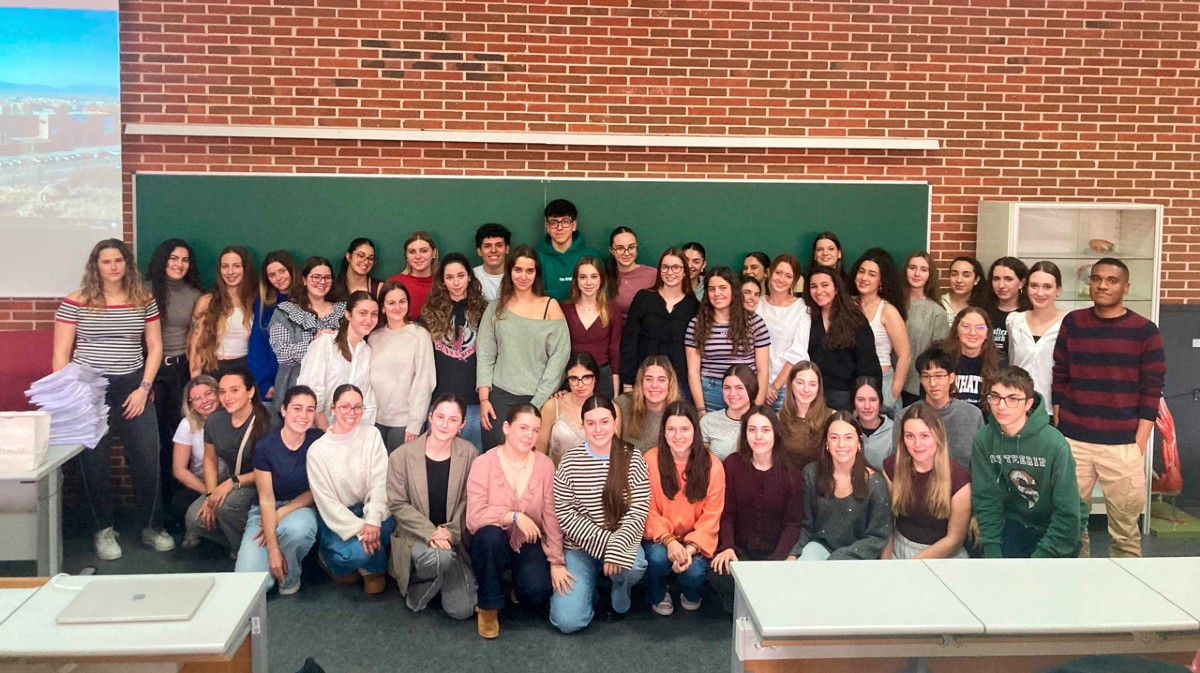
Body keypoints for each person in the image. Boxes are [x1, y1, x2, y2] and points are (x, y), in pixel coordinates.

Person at [54, 238, 173, 560]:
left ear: (127, 264)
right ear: (96, 265)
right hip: (89, 390)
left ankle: (152, 527)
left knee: (148, 458)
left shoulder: (143, 299)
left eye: (118, 260)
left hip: (133, 387)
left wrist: (144, 388)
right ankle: (103, 530)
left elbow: (155, 347)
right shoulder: (75, 301)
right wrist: (73, 396)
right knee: (93, 463)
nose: (113, 266)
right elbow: (61, 354)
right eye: (106, 261)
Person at [1053, 258, 1165, 558]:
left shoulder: (1144, 330)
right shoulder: (1073, 323)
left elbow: (1152, 389)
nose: (1102, 285)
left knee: (1126, 533)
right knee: (1072, 527)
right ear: (1089, 283)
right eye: (1097, 278)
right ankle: (1076, 592)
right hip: (1074, 441)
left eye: (1112, 280)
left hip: (1123, 444)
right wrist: (1060, 426)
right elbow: (1060, 374)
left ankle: (1124, 597)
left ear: (1126, 286)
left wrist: (1139, 441)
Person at [466, 404, 569, 639]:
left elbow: (551, 517)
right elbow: (473, 518)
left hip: (528, 540)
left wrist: (556, 561)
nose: (529, 435)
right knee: (489, 536)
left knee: (536, 595)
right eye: (523, 428)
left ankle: (515, 582)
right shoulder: (484, 463)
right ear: (506, 427)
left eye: (535, 430)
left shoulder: (544, 465)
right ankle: (488, 607)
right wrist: (513, 516)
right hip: (491, 542)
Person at [550, 395, 650, 632]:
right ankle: (591, 587)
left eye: (605, 422)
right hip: (580, 548)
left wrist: (617, 549)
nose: (598, 429)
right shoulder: (570, 462)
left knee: (635, 565)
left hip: (623, 541)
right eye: (591, 423)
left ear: (615, 423)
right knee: (568, 622)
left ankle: (618, 586)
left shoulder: (632, 457)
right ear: (582, 425)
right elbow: (565, 513)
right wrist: (609, 546)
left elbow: (639, 510)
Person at [974, 366, 1086, 558]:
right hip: (1015, 522)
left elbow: (1068, 513)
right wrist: (992, 550)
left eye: (1012, 399)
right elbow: (987, 499)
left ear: (1028, 404)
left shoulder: (1054, 444)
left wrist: (1039, 559)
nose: (1001, 406)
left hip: (1056, 528)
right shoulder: (984, 439)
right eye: (996, 397)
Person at [386, 394, 478, 616]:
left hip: (451, 540)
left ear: (462, 424)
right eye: (440, 417)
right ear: (430, 417)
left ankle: (434, 578)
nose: (445, 424)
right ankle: (420, 582)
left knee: (462, 611)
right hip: (415, 535)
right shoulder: (402, 456)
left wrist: (449, 532)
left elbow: (470, 500)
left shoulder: (470, 454)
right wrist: (432, 533)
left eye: (453, 419)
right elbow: (397, 504)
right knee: (439, 557)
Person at [477, 244, 571, 450]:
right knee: (496, 457)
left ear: (536, 274)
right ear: (510, 271)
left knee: (530, 459)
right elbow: (485, 355)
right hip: (500, 396)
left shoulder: (550, 306)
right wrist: (484, 398)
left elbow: (558, 359)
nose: (523, 276)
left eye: (530, 271)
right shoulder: (496, 307)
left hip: (538, 397)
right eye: (518, 270)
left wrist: (537, 402)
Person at [710, 406, 802, 612]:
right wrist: (728, 547)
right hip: (740, 551)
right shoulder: (732, 465)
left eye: (765, 430)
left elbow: (793, 524)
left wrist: (777, 561)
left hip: (775, 553)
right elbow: (727, 515)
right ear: (745, 435)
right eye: (752, 430)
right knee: (719, 574)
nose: (758, 436)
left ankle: (755, 600)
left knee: (789, 578)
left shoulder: (791, 473)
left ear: (775, 434)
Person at [234, 385, 322, 594]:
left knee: (298, 529)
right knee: (248, 588)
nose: (304, 415)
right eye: (297, 408)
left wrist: (282, 513)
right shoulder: (266, 446)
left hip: (300, 508)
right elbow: (265, 499)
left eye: (310, 409)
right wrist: (272, 549)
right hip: (266, 509)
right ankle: (273, 561)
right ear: (283, 410)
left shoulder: (318, 441)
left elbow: (317, 490)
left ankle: (290, 576)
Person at [308, 384, 395, 594]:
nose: (352, 413)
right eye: (345, 406)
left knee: (390, 530)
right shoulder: (317, 451)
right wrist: (361, 529)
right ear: (333, 408)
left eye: (358, 407)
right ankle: (346, 562)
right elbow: (327, 503)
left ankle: (371, 564)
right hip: (340, 517)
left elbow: (380, 481)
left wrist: (372, 520)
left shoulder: (371, 435)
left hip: (373, 510)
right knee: (352, 554)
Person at [643, 401, 725, 616]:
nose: (678, 436)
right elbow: (646, 510)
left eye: (684, 429)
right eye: (671, 429)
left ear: (695, 431)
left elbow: (711, 518)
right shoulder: (650, 460)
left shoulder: (713, 466)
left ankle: (690, 591)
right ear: (663, 432)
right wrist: (670, 542)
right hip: (660, 539)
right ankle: (658, 592)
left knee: (694, 572)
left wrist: (688, 549)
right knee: (657, 559)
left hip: (694, 540)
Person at [146, 238, 204, 518]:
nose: (179, 265)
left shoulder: (195, 294)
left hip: (182, 373)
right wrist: (143, 382)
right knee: (155, 443)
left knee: (180, 441)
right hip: (152, 374)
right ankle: (156, 513)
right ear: (162, 260)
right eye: (173, 258)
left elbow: (197, 338)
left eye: (185, 260)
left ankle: (179, 509)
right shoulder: (144, 292)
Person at [190, 367, 272, 552]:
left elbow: (273, 468)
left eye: (234, 390)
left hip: (261, 482)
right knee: (194, 518)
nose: (227, 397)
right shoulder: (215, 420)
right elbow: (209, 460)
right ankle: (241, 541)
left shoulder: (268, 418)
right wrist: (211, 496)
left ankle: (244, 551)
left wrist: (232, 482)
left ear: (250, 391)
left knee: (227, 507)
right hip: (233, 481)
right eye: (222, 392)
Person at [793, 412, 892, 560]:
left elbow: (877, 537)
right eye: (834, 437)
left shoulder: (875, 484)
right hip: (819, 548)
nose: (841, 444)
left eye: (848, 437)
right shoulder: (811, 474)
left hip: (859, 556)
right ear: (826, 442)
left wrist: (838, 558)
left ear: (858, 442)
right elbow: (805, 525)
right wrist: (794, 554)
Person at [882, 403, 971, 559]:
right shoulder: (891, 468)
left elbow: (954, 539)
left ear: (938, 436)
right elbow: (884, 523)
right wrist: (887, 562)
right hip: (899, 547)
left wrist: (914, 564)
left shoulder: (959, 479)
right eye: (910, 436)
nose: (917, 444)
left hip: (943, 554)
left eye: (925, 436)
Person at [423, 253, 489, 451]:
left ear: (469, 276)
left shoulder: (485, 310)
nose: (456, 282)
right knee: (437, 456)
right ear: (442, 281)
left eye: (461, 275)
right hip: (439, 402)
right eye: (449, 277)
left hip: (475, 402)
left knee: (474, 461)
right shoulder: (430, 313)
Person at [685, 266, 770, 412]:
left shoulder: (754, 322)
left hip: (747, 391)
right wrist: (700, 409)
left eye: (723, 288)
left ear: (734, 290)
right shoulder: (696, 324)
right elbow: (693, 371)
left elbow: (763, 370)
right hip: (711, 393)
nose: (717, 293)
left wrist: (757, 406)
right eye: (712, 289)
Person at [621, 247, 701, 398]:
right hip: (644, 381)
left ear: (685, 272)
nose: (670, 272)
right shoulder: (643, 298)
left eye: (676, 267)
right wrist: (627, 383)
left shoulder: (694, 306)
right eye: (665, 267)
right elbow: (629, 342)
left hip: (680, 384)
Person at [368, 280, 436, 452]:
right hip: (375, 420)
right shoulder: (373, 337)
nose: (397, 307)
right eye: (391, 303)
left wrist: (414, 424)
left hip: (405, 423)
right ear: (382, 307)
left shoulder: (419, 335)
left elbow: (424, 382)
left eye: (402, 301)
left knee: (401, 475)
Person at [298, 290, 379, 429]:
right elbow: (312, 394)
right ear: (348, 314)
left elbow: (366, 400)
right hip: (319, 431)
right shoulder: (326, 343)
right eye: (362, 313)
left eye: (374, 314)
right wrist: (328, 436)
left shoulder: (367, 351)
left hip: (351, 433)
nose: (369, 320)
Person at [268, 257, 346, 399]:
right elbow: (282, 354)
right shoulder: (285, 311)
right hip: (296, 390)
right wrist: (315, 344)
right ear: (304, 280)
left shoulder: (344, 311)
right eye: (316, 277)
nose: (322, 282)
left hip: (337, 390)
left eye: (327, 278)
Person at [806, 266, 882, 410]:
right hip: (812, 395)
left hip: (845, 397)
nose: (819, 291)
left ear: (836, 288)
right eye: (813, 286)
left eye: (825, 285)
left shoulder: (855, 319)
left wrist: (862, 401)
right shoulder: (808, 317)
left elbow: (868, 365)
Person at [899, 346, 984, 469]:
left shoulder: (973, 415)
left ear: (951, 378)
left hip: (964, 484)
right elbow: (898, 462)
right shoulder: (905, 416)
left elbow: (981, 462)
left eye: (939, 376)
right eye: (926, 377)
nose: (932, 383)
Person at [849, 248, 911, 413]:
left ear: (881, 281)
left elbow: (905, 356)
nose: (864, 278)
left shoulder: (887, 311)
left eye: (872, 274)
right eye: (861, 272)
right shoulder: (847, 305)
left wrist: (892, 395)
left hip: (882, 383)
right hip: (852, 382)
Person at [172, 375, 225, 549]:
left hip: (232, 480)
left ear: (218, 393)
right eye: (197, 398)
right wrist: (208, 493)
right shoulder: (187, 425)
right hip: (202, 481)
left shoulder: (234, 417)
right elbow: (179, 470)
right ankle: (196, 530)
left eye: (208, 393)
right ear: (191, 404)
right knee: (182, 504)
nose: (204, 401)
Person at [190, 246, 257, 378]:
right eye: (225, 266)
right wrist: (196, 381)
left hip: (245, 370)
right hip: (213, 369)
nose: (230, 272)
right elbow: (196, 346)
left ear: (245, 269)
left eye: (236, 266)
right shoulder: (207, 302)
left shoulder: (255, 302)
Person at [754, 254, 810, 410]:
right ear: (770, 272)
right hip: (755, 386)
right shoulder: (757, 303)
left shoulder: (802, 308)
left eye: (788, 276)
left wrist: (774, 387)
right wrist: (762, 385)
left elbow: (798, 350)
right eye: (778, 273)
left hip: (785, 389)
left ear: (794, 280)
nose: (781, 279)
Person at [1007, 261, 1064, 414]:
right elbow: (1012, 362)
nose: (1039, 293)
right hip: (1017, 407)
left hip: (1053, 409)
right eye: (1034, 286)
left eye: (1047, 287)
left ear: (1058, 290)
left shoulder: (1068, 323)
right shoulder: (1014, 321)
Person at [562, 256, 622, 398]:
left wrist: (615, 390)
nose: (589, 282)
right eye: (583, 277)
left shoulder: (613, 308)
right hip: (573, 378)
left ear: (601, 279)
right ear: (576, 281)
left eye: (594, 276)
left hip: (602, 377)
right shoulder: (564, 308)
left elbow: (614, 348)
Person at [248, 250, 298, 406]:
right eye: (272, 275)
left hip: (302, 378)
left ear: (291, 270)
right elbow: (258, 344)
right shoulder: (264, 304)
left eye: (282, 271)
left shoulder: (306, 298)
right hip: (273, 381)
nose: (278, 278)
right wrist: (263, 382)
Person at [901, 252, 949, 406]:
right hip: (888, 383)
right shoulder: (891, 304)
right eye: (912, 268)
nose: (917, 273)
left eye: (923, 269)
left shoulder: (936, 312)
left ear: (930, 275)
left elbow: (938, 355)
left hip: (917, 388)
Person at [537, 352, 601, 465]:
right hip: (556, 478)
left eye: (586, 377)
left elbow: (615, 456)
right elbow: (538, 453)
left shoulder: (610, 409)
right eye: (574, 379)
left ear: (595, 378)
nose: (580, 385)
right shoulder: (553, 406)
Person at [615, 355, 682, 455]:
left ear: (670, 383)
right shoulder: (622, 404)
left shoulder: (681, 412)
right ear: (641, 382)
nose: (654, 385)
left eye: (661, 380)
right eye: (648, 379)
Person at [538, 198, 601, 301]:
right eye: (554, 222)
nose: (559, 228)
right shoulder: (537, 257)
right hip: (546, 316)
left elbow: (602, 294)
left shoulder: (591, 256)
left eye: (565, 222)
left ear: (574, 225)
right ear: (547, 227)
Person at [778, 362, 833, 469]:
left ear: (818, 388)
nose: (806, 389)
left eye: (812, 384)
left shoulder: (831, 417)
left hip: (821, 481)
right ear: (790, 384)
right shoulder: (778, 419)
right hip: (789, 481)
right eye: (800, 383)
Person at [700, 365, 758, 461]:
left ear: (751, 388)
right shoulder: (709, 420)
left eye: (739, 388)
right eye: (727, 388)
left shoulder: (763, 421)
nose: (732, 394)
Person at [942, 307, 998, 408]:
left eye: (980, 327)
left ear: (987, 333)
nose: (972, 332)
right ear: (956, 331)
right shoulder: (941, 360)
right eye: (966, 326)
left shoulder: (1000, 363)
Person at [984, 256, 1031, 361]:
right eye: (996, 279)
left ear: (1021, 283)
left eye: (1008, 279)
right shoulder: (983, 311)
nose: (1001, 285)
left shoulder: (1029, 314)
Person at [606, 226, 656, 322]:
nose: (626, 253)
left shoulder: (652, 275)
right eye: (620, 248)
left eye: (631, 247)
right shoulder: (604, 278)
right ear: (612, 251)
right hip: (614, 334)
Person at [387, 231, 437, 320]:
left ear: (434, 253)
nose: (418, 256)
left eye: (424, 251)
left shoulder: (443, 283)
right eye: (412, 252)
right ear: (406, 255)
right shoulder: (394, 283)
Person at [854, 377, 894, 471]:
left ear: (880, 402)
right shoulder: (846, 430)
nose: (867, 406)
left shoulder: (894, 431)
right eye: (861, 400)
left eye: (873, 400)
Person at [941, 256, 987, 327]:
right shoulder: (939, 303)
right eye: (954, 274)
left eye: (966, 275)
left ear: (976, 280)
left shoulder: (984, 306)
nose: (959, 280)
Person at [472, 223, 511, 301]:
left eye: (499, 245)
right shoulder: (471, 277)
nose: (493, 250)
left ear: (507, 249)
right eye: (487, 246)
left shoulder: (517, 275)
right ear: (479, 251)